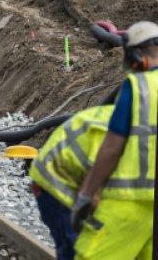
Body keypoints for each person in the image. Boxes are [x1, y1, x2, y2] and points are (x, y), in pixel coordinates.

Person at [72, 21, 158, 260]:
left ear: (137, 54)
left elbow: (111, 147)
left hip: (131, 202)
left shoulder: (139, 86)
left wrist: (86, 194)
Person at [29, 105, 114, 260]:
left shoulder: (121, 119)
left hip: (67, 175)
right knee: (74, 246)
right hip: (56, 185)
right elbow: (93, 187)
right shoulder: (112, 133)